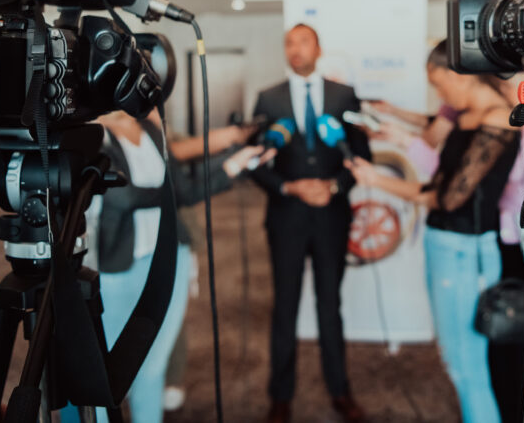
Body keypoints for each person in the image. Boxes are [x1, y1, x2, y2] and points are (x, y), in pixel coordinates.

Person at [345, 41, 519, 423]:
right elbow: (436, 166)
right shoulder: (467, 114)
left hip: (465, 252)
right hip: (444, 244)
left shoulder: (497, 119)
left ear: (461, 73)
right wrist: (384, 154)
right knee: (455, 358)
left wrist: (379, 180)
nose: (440, 96)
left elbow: (449, 197)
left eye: (440, 85)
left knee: (466, 366)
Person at [61, 111, 270, 423]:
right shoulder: (94, 136)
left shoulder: (151, 130)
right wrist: (175, 193)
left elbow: (184, 189)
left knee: (153, 363)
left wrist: (235, 165)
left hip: (171, 257)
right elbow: (124, 195)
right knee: (103, 369)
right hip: (120, 265)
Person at [250, 23, 371, 423]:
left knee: (329, 305)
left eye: (303, 42)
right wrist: (289, 188)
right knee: (284, 306)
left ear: (318, 48)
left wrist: (335, 187)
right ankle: (279, 397)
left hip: (332, 218)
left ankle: (341, 391)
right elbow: (256, 164)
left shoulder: (343, 95)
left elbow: (360, 157)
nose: (295, 49)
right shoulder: (268, 98)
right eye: (289, 43)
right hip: (285, 218)